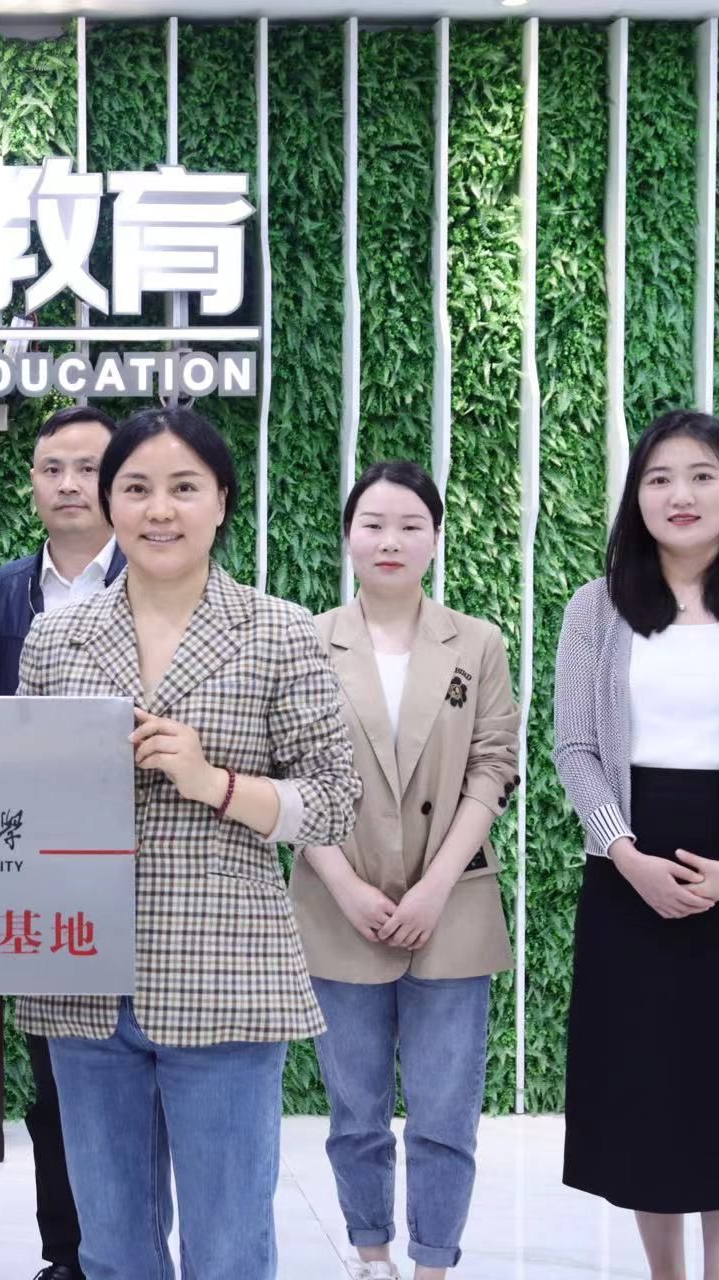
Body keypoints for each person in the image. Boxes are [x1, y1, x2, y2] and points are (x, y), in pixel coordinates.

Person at [12, 406, 360, 1280]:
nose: (158, 509)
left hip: (224, 970)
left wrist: (217, 784)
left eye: (183, 488)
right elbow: (17, 804)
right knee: (112, 1249)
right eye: (136, 488)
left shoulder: (278, 630)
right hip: (81, 975)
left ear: (222, 502)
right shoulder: (56, 637)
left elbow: (335, 803)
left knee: (229, 1248)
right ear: (109, 503)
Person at [553, 410, 719, 1280]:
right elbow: (575, 749)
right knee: (648, 1093)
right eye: (660, 477)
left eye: (703, 475)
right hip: (628, 870)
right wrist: (624, 855)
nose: (682, 494)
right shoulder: (596, 608)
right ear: (637, 496)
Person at [289, 460, 519, 1280]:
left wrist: (435, 887)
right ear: (349, 536)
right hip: (337, 901)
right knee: (354, 1111)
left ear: (435, 538)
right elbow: (287, 772)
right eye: (374, 524)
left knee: (445, 1113)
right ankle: (371, 1254)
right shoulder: (306, 639)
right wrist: (346, 886)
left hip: (451, 903)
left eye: (410, 525)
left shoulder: (477, 642)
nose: (391, 540)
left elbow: (493, 766)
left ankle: (433, 1264)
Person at [0, 403, 126, 1280]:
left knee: (143, 1082)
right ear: (31, 482)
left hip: (144, 866)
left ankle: (134, 1255)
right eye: (51, 468)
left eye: (88, 468)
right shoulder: (3, 593)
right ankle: (65, 1257)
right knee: (54, 1080)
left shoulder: (155, 575)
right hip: (34, 868)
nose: (69, 484)